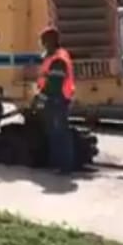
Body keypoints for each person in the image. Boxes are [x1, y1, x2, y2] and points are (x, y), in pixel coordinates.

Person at [35, 26, 76, 174]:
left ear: (50, 41)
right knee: (55, 133)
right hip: (56, 99)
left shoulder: (58, 60)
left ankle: (64, 167)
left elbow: (54, 84)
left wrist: (40, 99)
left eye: (43, 41)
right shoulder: (53, 56)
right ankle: (58, 165)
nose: (42, 45)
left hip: (58, 99)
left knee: (59, 133)